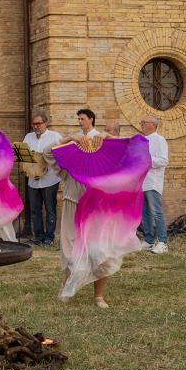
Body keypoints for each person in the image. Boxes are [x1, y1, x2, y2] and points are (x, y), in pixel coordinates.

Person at [44, 112, 107, 307]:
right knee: (71, 247)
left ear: (91, 120)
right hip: (72, 202)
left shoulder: (100, 142)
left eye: (82, 119)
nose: (79, 122)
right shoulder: (73, 145)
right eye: (78, 119)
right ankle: (67, 285)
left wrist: (108, 136)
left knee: (99, 251)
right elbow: (48, 152)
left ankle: (99, 296)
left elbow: (122, 148)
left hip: (95, 206)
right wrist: (70, 138)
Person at [22, 112, 62, 245]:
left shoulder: (55, 136)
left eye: (38, 123)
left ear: (46, 124)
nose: (36, 126)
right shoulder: (28, 137)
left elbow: (61, 155)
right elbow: (24, 155)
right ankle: (38, 237)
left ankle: (49, 238)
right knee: (35, 209)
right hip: (33, 180)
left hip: (50, 178)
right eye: (34, 124)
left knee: (50, 208)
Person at [139, 115, 169, 254]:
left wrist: (146, 159)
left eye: (144, 122)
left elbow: (163, 160)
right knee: (145, 213)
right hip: (142, 182)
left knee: (156, 212)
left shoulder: (159, 140)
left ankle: (163, 242)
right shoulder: (142, 140)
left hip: (153, 181)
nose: (142, 124)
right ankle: (149, 240)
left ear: (153, 125)